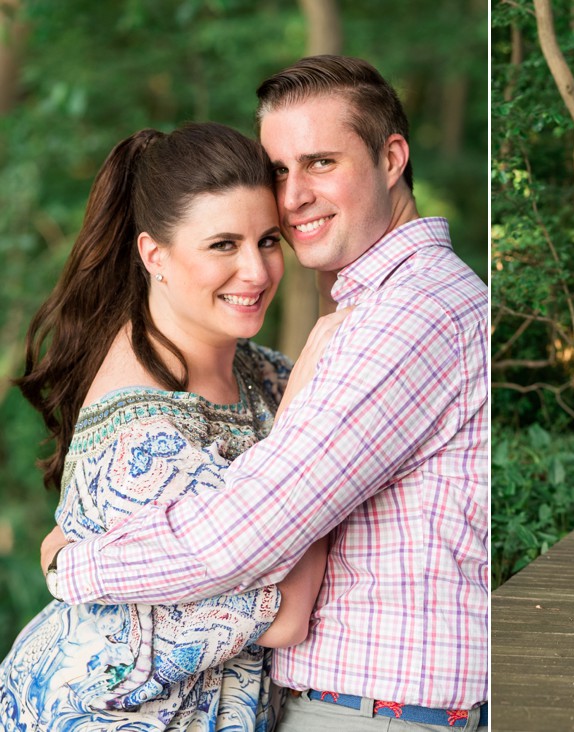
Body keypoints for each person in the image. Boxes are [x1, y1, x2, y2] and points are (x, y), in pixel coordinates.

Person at [43, 55, 489, 731]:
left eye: (320, 162)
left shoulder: (408, 315)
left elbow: (247, 532)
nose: (294, 193)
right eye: (280, 170)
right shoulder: (363, 319)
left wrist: (72, 564)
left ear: (392, 157)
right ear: (154, 256)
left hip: (378, 713)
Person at [0, 122, 338, 730]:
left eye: (266, 241)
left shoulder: (259, 371)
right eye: (222, 245)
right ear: (154, 254)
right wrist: (323, 355)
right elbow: (285, 614)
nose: (256, 272)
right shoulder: (141, 436)